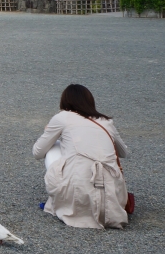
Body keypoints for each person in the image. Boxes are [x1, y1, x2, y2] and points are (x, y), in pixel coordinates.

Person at [32, 84, 130, 229]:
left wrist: (51, 133)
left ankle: (61, 196)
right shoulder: (106, 122)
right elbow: (124, 153)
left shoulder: (62, 118)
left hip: (78, 191)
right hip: (111, 194)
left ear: (64, 101)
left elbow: (37, 152)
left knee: (53, 146)